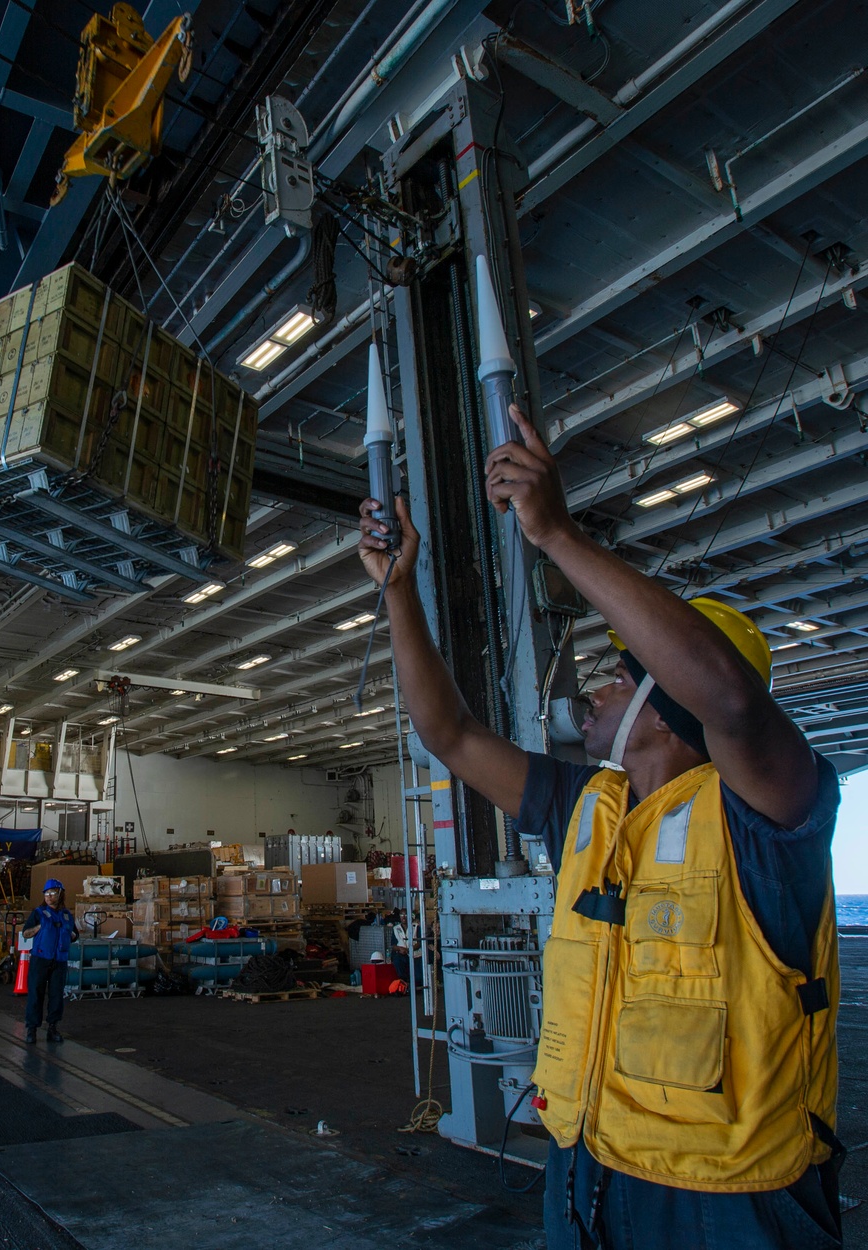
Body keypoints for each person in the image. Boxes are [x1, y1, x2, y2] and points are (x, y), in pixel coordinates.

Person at [358, 404, 842, 1250]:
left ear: (673, 708)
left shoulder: (767, 815)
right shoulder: (592, 808)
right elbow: (452, 736)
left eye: (624, 677)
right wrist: (399, 589)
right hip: (590, 1169)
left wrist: (554, 536)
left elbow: (730, 699)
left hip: (729, 1199)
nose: (599, 688)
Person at [22, 879, 78, 1044]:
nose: (48, 896)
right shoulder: (38, 913)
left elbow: (74, 934)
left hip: (59, 960)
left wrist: (71, 936)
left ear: (60, 894)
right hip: (41, 959)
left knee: (56, 996)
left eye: (52, 893)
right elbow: (25, 933)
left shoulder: (67, 915)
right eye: (46, 893)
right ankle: (31, 1029)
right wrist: (38, 928)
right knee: (35, 994)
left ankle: (52, 1028)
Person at [390, 909, 423, 984]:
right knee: (397, 961)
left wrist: (409, 949)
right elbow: (393, 945)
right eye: (402, 915)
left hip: (415, 955)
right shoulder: (396, 928)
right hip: (402, 954)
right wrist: (400, 949)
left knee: (418, 978)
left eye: (406, 915)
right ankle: (404, 982)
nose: (403, 917)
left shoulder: (416, 927)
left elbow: (419, 942)